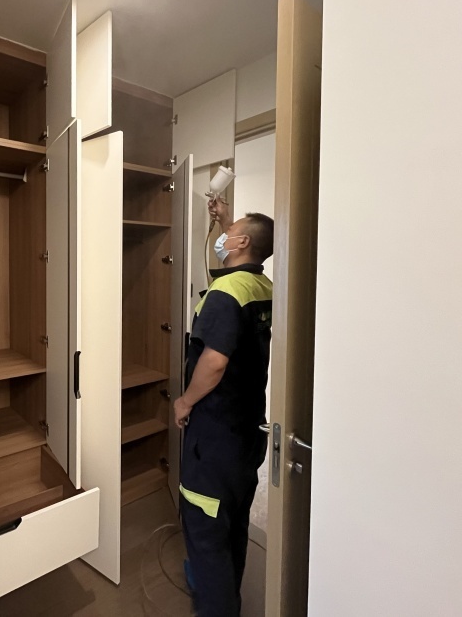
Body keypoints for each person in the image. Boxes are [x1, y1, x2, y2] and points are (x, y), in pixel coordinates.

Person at [174, 198, 274, 616]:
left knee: (206, 528)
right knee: (231, 523)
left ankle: (216, 602)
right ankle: (223, 592)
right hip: (246, 432)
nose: (223, 237)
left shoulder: (225, 294)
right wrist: (226, 220)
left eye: (230, 233)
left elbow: (214, 363)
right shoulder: (263, 288)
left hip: (215, 436)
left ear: (243, 242)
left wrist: (184, 401)